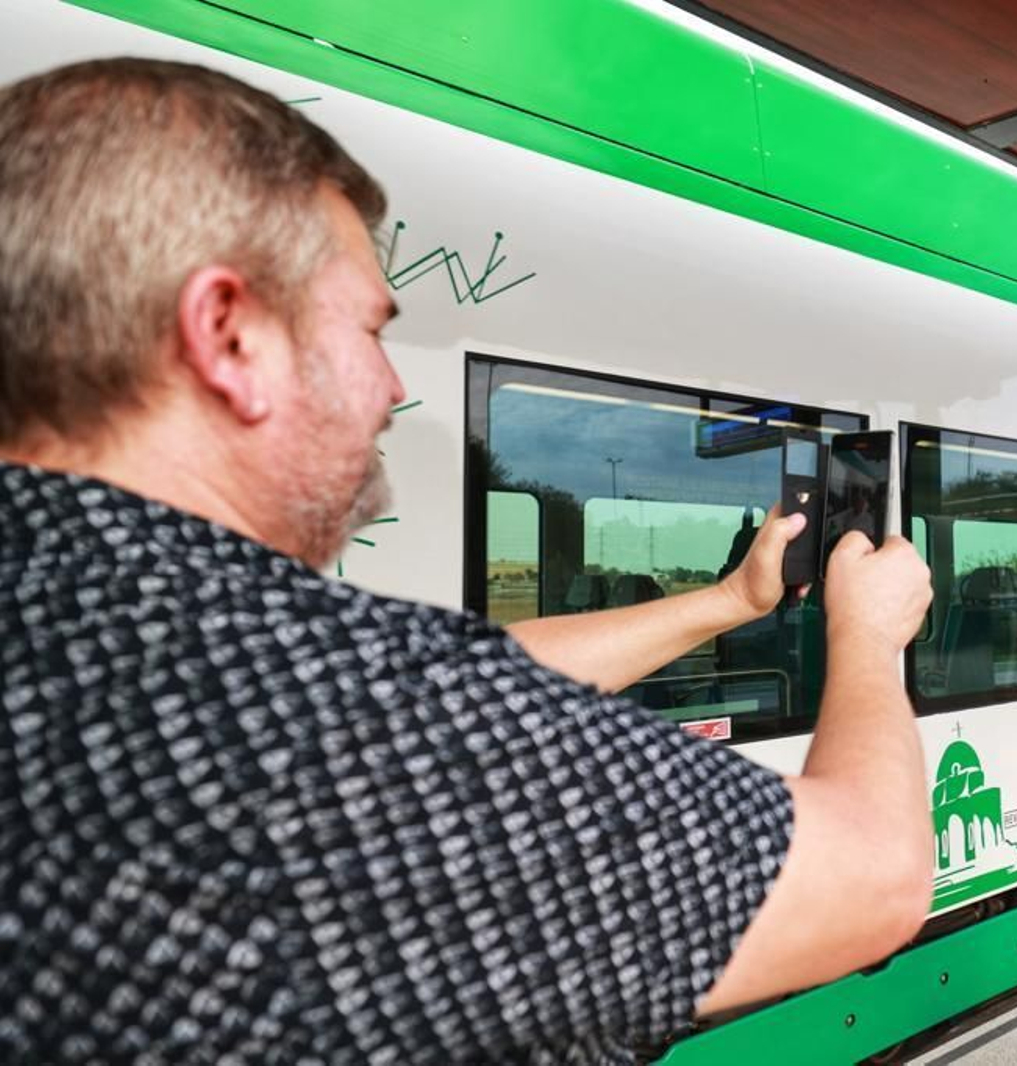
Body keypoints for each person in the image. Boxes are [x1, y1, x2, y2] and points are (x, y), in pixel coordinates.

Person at [0, 58, 934, 1063]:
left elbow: (472, 683)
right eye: (365, 327)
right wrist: (868, 637)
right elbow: (873, 876)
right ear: (229, 335)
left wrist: (724, 601)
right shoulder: (315, 721)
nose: (391, 387)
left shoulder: (93, 629)